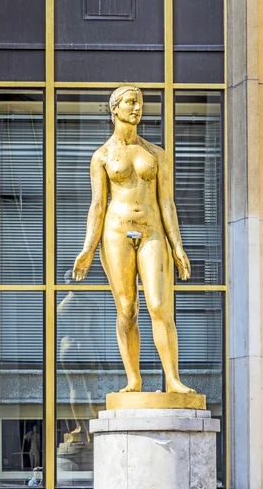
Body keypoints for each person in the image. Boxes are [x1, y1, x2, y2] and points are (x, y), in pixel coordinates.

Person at [73, 85, 194, 394]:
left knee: (158, 304)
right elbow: (98, 205)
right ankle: (134, 380)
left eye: (140, 103)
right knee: (127, 308)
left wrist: (177, 246)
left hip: (152, 231)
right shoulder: (102, 156)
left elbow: (167, 202)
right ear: (115, 108)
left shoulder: (156, 154)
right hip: (116, 233)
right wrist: (88, 248)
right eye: (130, 103)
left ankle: (172, 379)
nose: (137, 108)